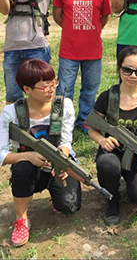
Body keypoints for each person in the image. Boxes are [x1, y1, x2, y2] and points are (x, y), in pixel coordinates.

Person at [0, 59, 81, 247]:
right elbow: (2, 154)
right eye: (45, 86)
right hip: (29, 166)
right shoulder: (11, 112)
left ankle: (54, 193)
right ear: (27, 89)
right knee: (22, 169)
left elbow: (65, 141)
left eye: (54, 83)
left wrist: (62, 160)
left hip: (56, 163)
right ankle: (21, 218)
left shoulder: (64, 106)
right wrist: (26, 156)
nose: (51, 90)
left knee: (70, 206)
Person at [87, 46, 137, 225]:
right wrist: (102, 140)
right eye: (127, 70)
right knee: (107, 163)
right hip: (112, 151)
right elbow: (92, 128)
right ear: (119, 69)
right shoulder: (108, 97)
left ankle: (130, 180)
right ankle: (112, 198)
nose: (133, 75)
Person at [53, 0, 111, 131]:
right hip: (69, 50)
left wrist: (93, 30)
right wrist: (71, 28)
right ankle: (62, 123)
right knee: (64, 89)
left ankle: (85, 121)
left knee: (90, 88)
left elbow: (105, 16)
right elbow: (57, 16)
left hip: (93, 50)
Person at [0, 0, 53, 104]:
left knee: (41, 91)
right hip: (12, 47)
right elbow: (5, 10)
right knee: (13, 94)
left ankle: (41, 119)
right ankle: (15, 120)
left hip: (37, 46)